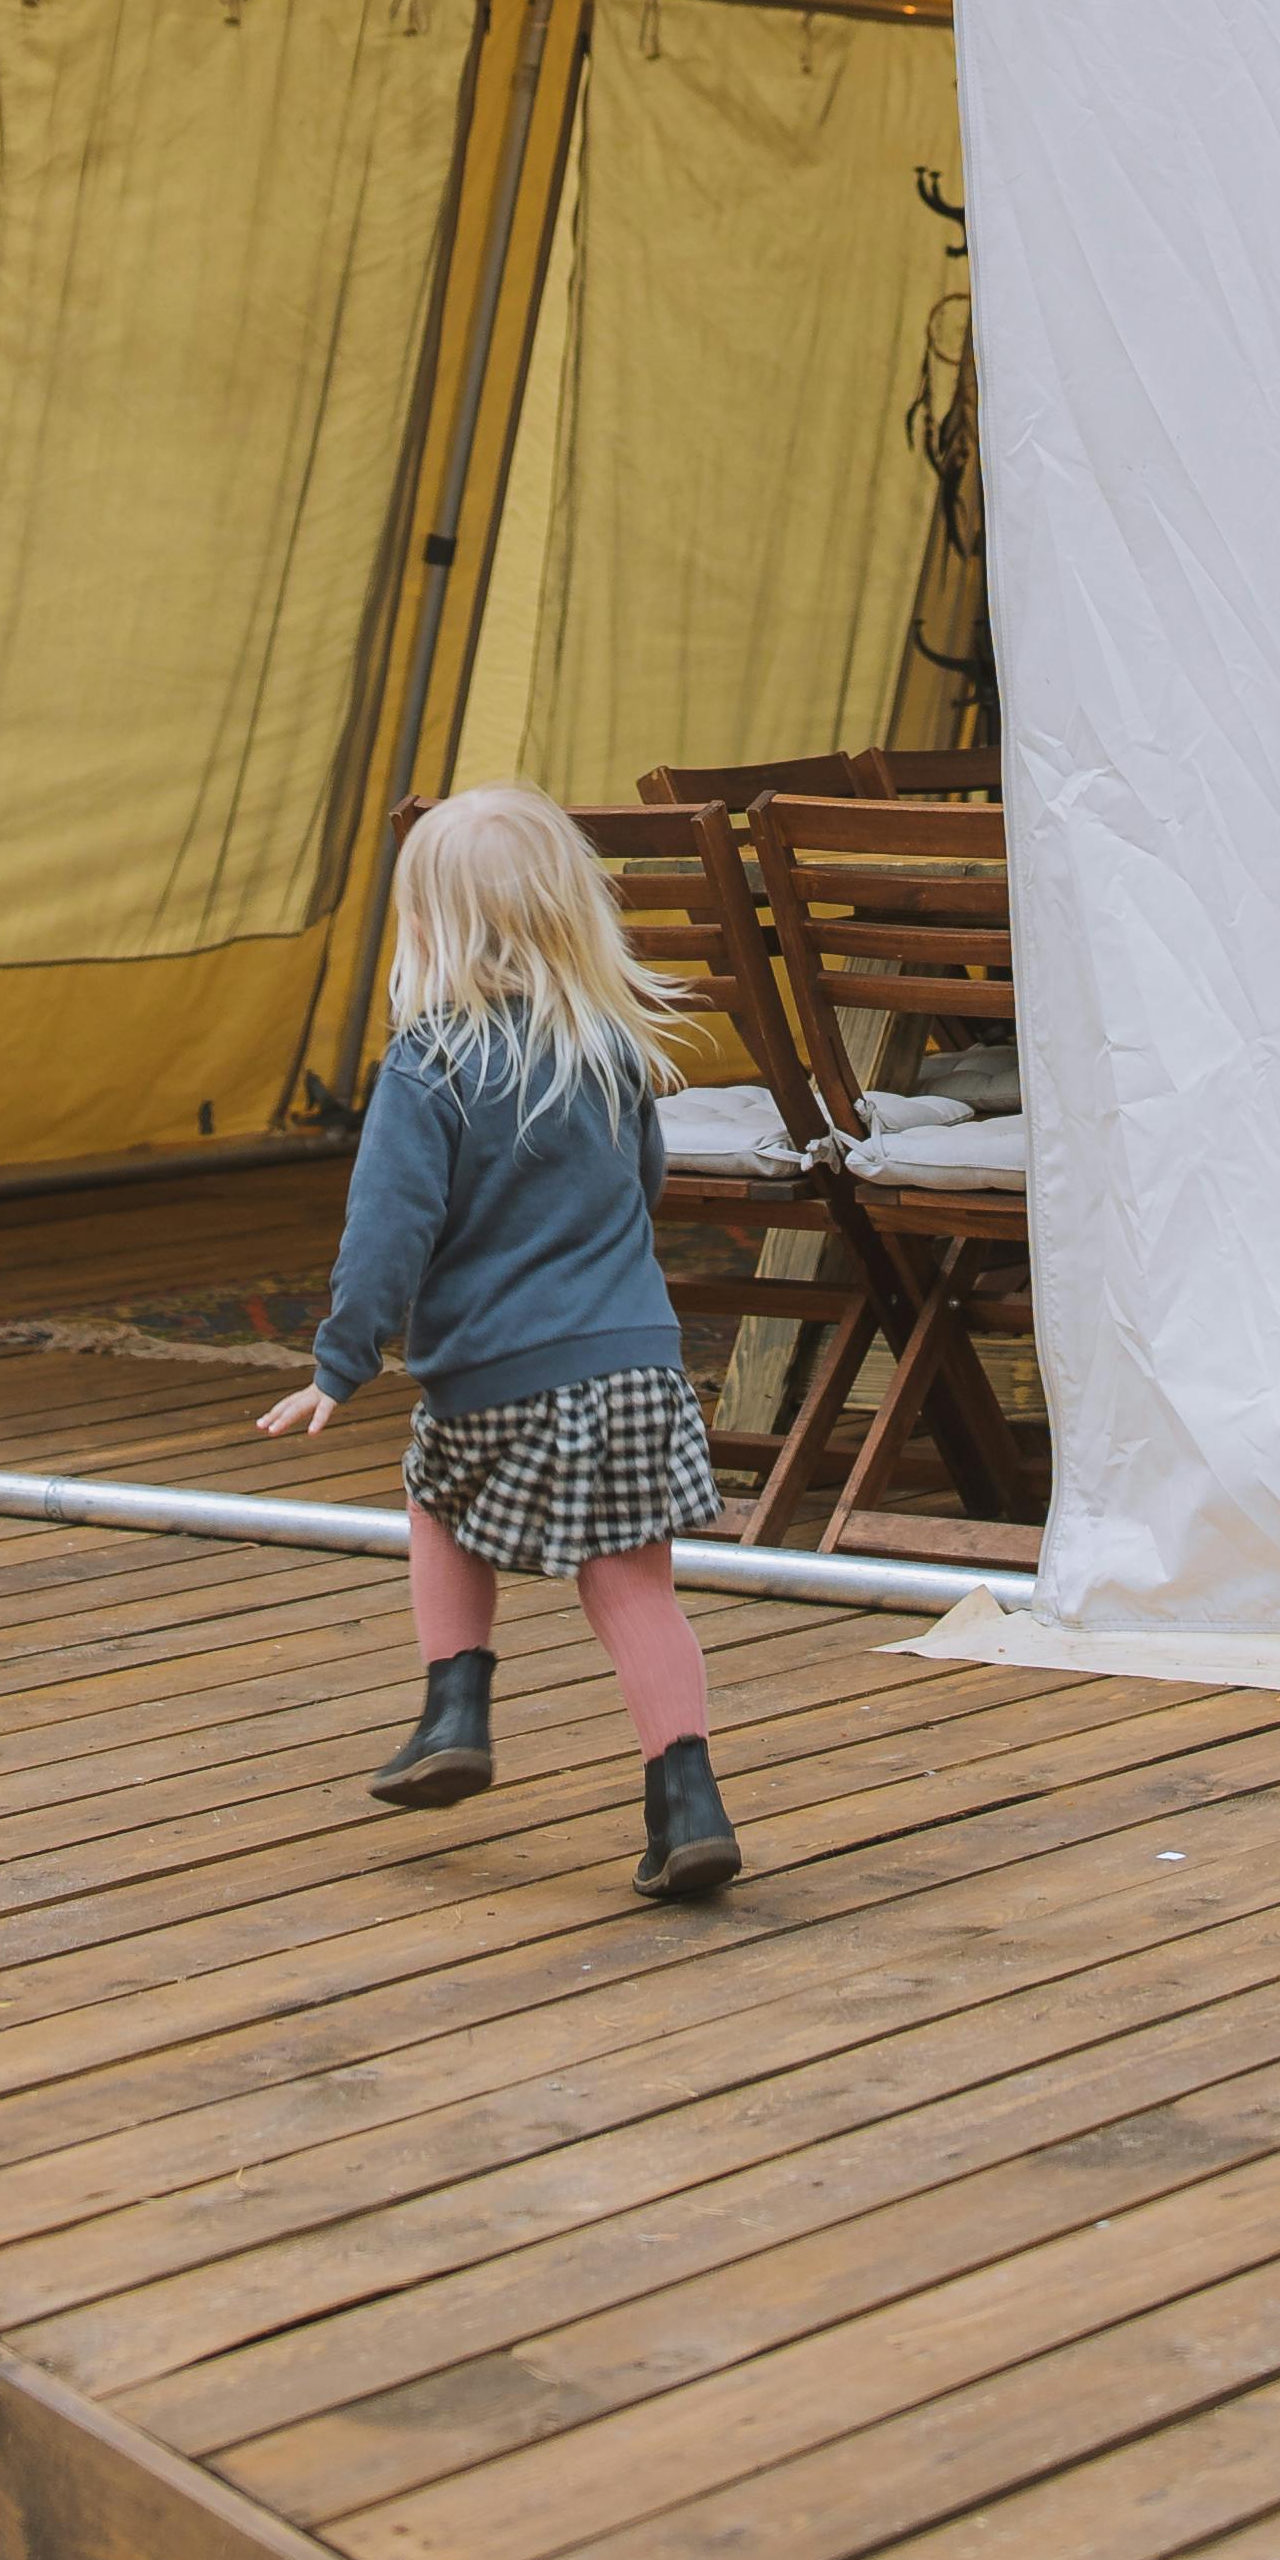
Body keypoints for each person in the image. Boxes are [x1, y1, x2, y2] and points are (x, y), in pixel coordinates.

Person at [259, 784, 743, 1902]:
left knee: (439, 1493)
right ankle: (687, 1805)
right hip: (638, 1370)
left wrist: (342, 1361)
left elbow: (388, 1234)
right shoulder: (608, 1049)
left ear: (427, 924)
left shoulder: (429, 1065)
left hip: (499, 1377)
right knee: (633, 1588)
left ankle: (455, 1708)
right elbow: (647, 1185)